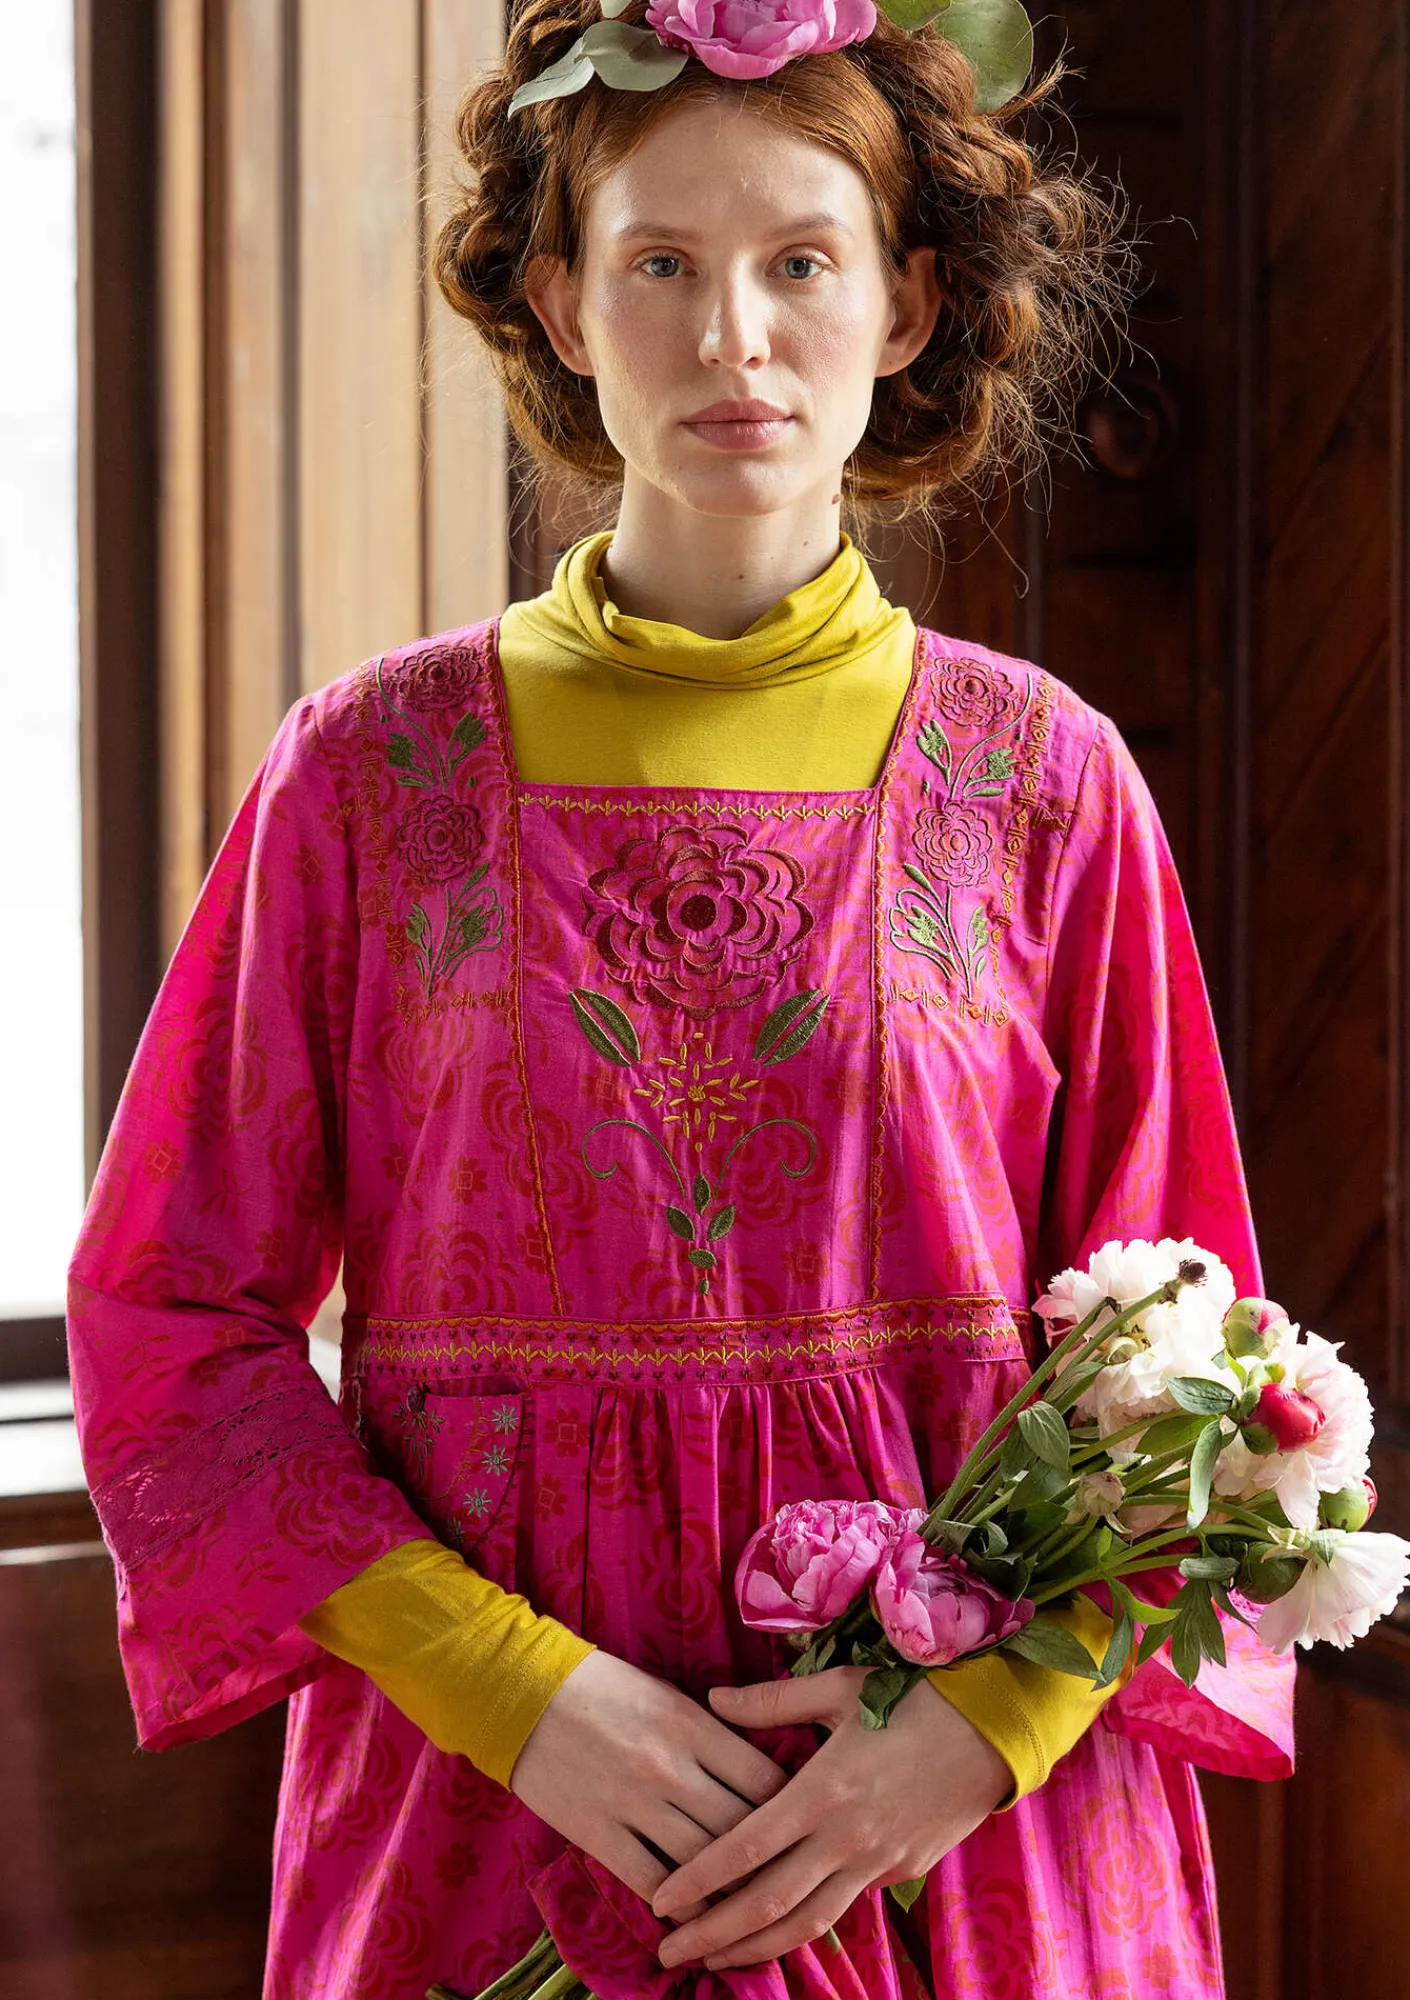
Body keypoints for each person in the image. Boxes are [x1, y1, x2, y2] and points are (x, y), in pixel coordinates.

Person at [67, 4, 1296, 1996]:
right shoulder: (366, 774)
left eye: (801, 261)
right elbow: (170, 1314)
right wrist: (517, 1691)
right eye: (661, 265)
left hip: (963, 1848)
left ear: (906, 303)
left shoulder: (1044, 781)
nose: (735, 338)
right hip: (491, 1811)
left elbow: (1192, 1338)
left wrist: (978, 1733)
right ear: (562, 302)